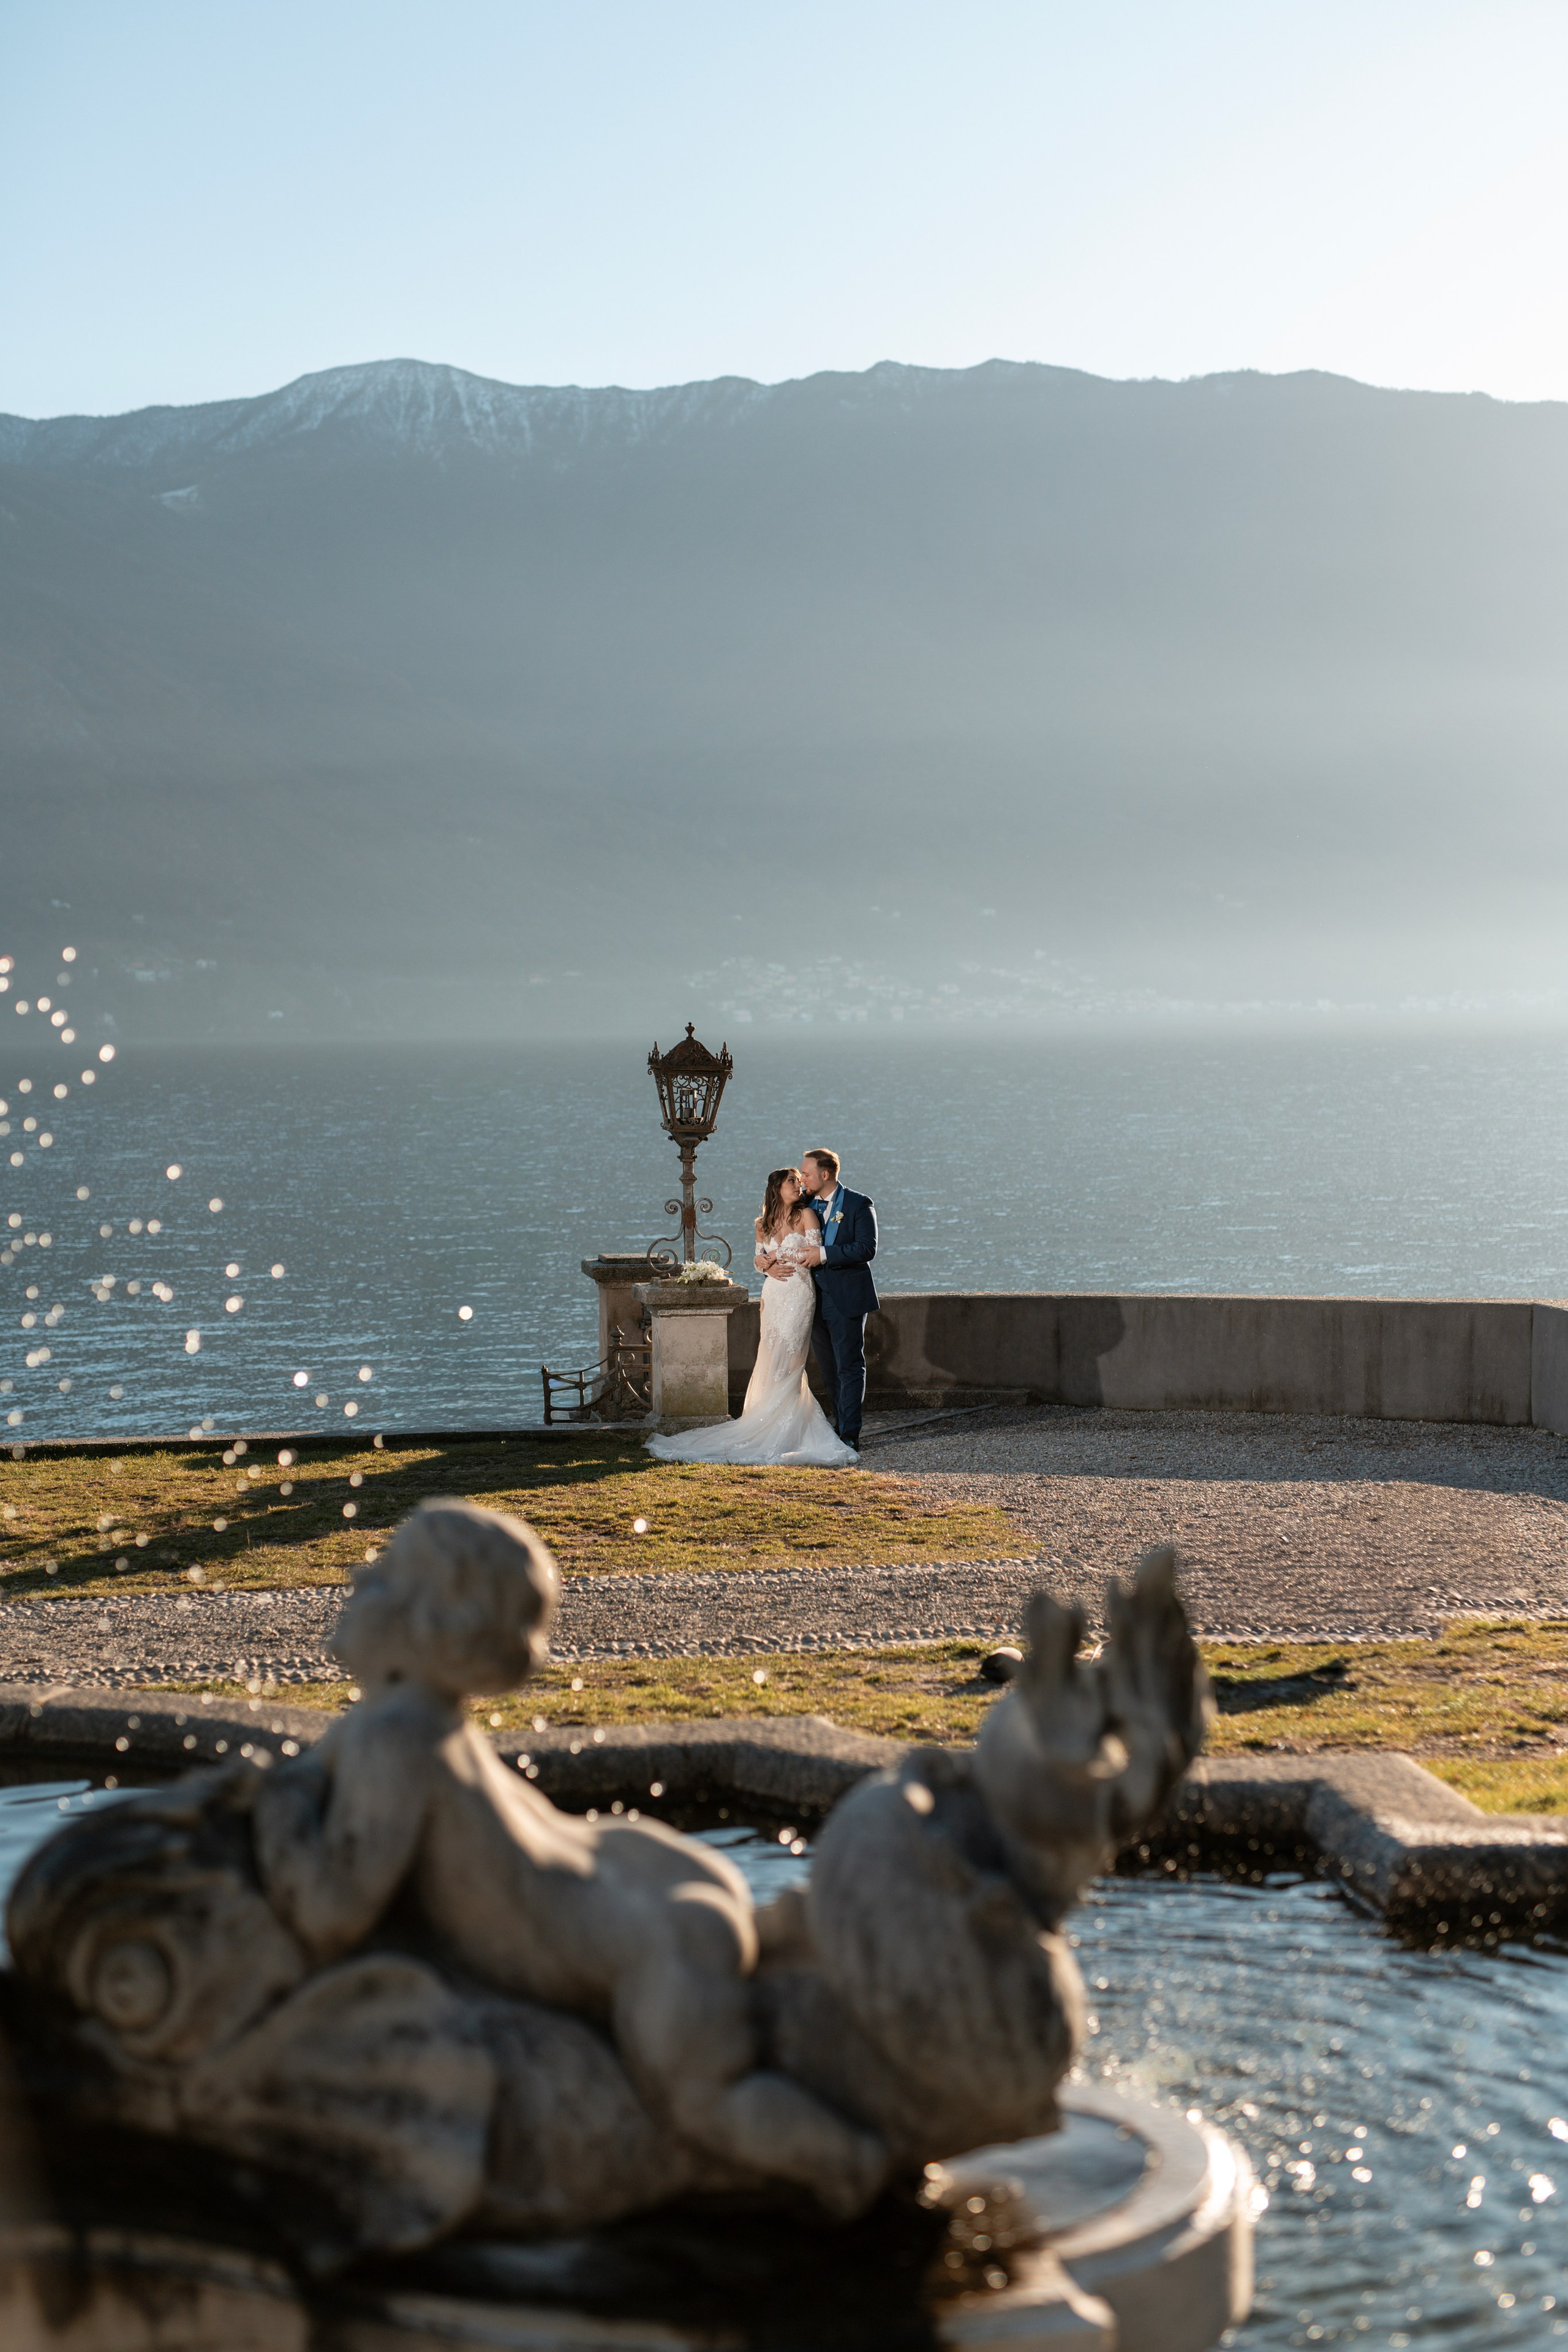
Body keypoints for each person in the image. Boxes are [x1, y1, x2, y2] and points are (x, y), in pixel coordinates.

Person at [645, 1166, 856, 1465]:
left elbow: (814, 1253)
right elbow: (758, 1258)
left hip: (798, 1292)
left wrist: (779, 1257)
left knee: (793, 1357)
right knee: (770, 1355)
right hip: (774, 1293)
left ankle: (789, 1427)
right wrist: (766, 1265)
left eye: (799, 1180)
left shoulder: (806, 1215)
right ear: (777, 1188)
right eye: (792, 1181)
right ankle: (765, 1422)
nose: (799, 1185)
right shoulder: (762, 1223)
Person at [800, 1147, 878, 1452]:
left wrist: (823, 1254)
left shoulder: (859, 1204)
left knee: (849, 1366)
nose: (802, 1178)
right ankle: (837, 1424)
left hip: (845, 1296)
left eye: (806, 1174)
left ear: (825, 1174)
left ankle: (850, 1434)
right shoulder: (803, 1204)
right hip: (811, 1298)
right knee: (828, 1368)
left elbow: (866, 1248)